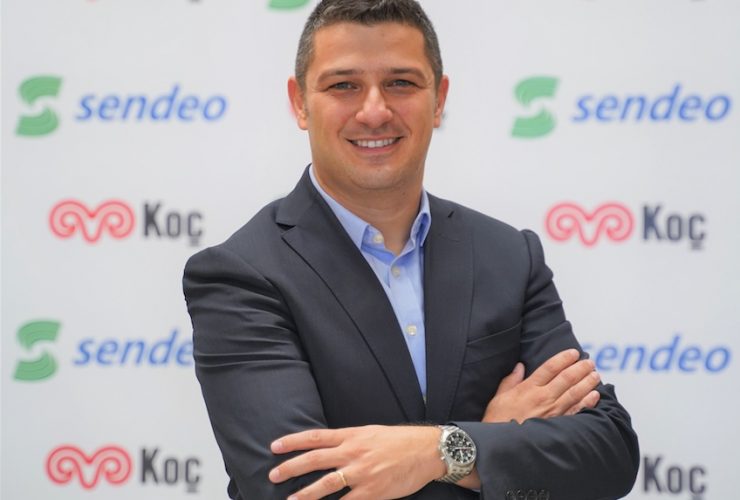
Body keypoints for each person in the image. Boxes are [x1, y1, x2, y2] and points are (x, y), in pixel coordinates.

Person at [183, 1, 639, 499]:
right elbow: (301, 490)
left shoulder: (509, 255)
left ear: (439, 99)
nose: (374, 111)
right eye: (344, 85)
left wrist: (438, 452)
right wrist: (489, 445)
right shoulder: (241, 274)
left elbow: (608, 451)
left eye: (401, 83)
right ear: (300, 103)